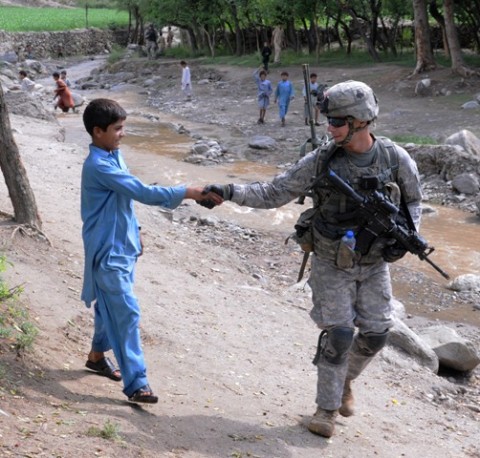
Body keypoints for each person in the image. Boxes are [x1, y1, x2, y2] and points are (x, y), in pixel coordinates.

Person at [197, 81, 422, 438]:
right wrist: (229, 192)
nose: (329, 128)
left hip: (374, 261)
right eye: (328, 121)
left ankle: (344, 381)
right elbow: (275, 191)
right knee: (340, 334)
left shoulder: (395, 159)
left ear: (360, 121)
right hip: (331, 260)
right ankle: (326, 410)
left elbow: (412, 201)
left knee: (378, 334)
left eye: (336, 122)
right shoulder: (322, 160)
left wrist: (405, 236)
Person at [81, 98, 222, 404]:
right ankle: (137, 383)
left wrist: (138, 231)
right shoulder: (98, 165)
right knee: (126, 312)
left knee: (109, 307)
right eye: (118, 129)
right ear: (98, 131)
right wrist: (187, 191)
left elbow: (125, 200)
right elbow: (142, 192)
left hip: (124, 246)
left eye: (124, 127)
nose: (123, 134)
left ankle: (95, 357)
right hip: (107, 253)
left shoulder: (113, 154)